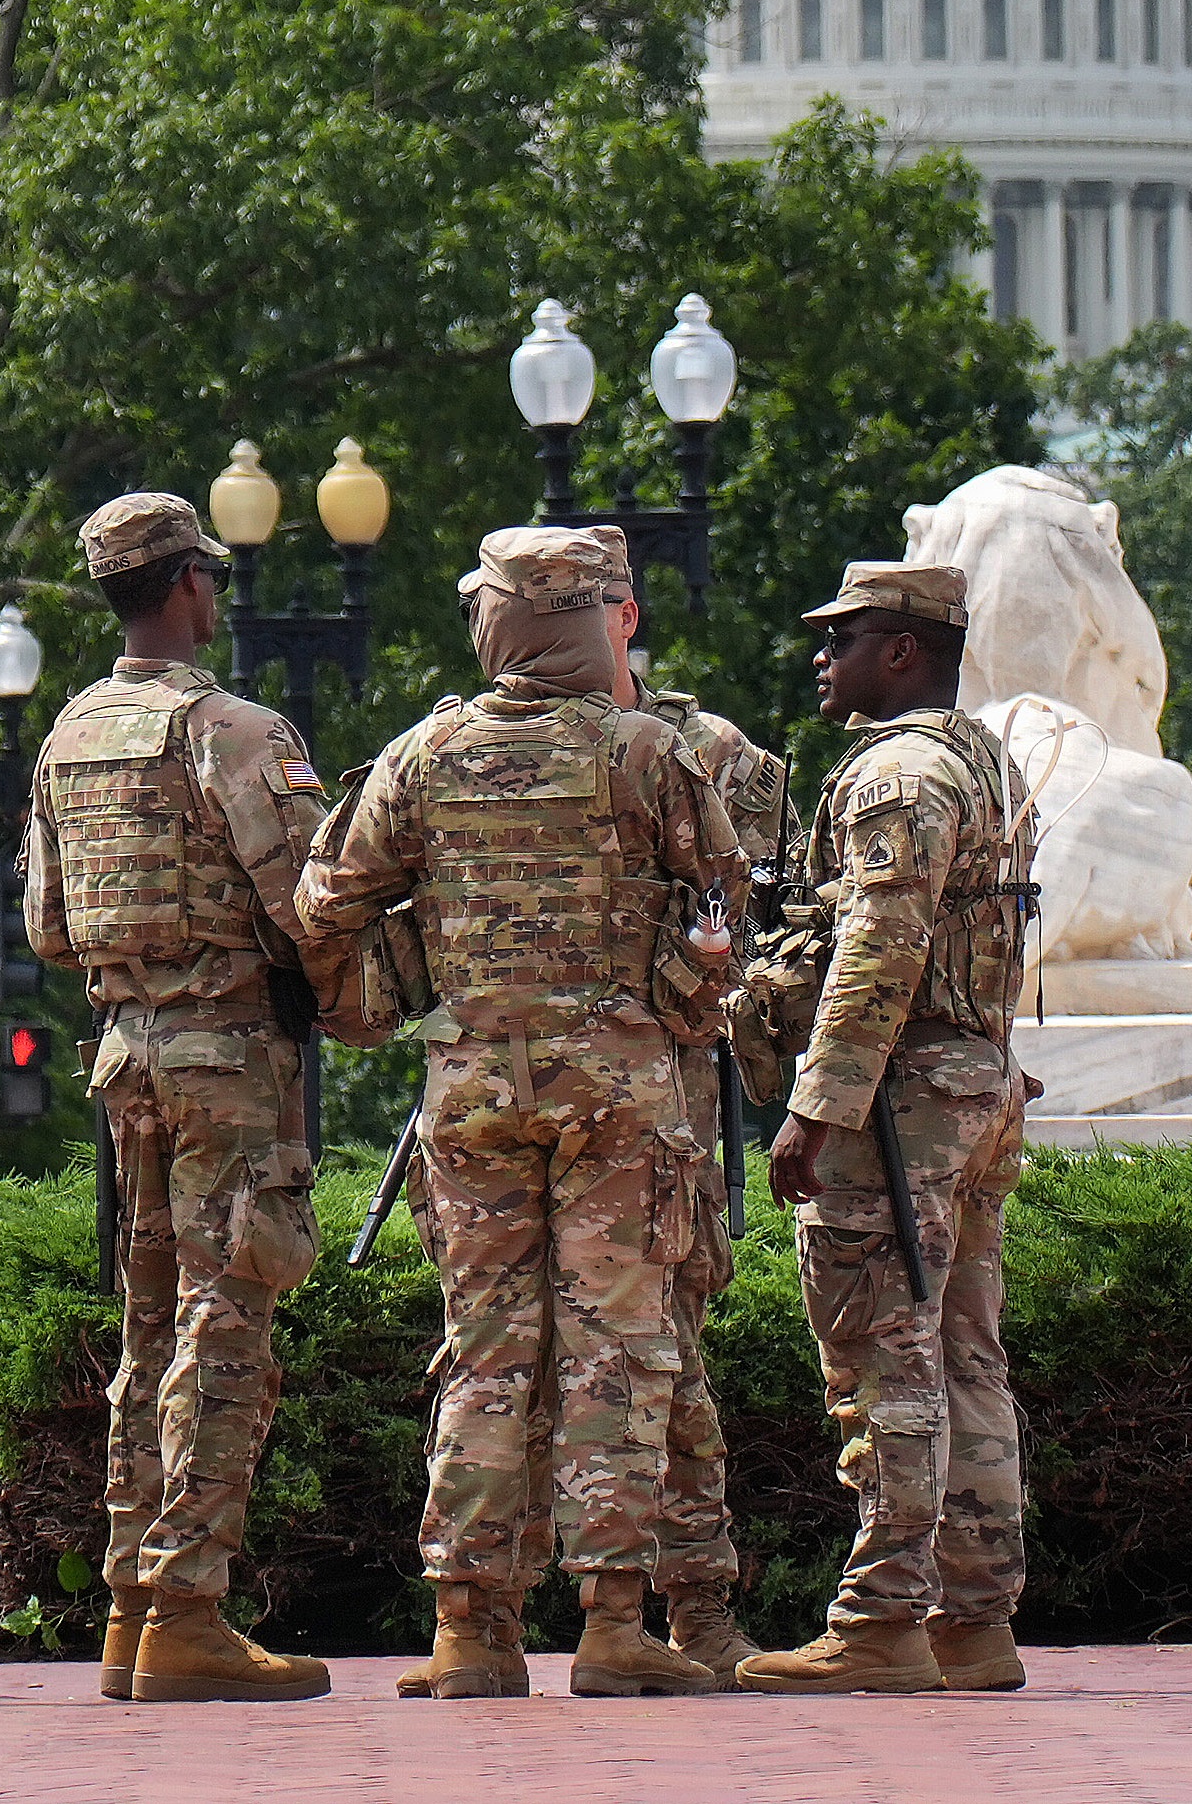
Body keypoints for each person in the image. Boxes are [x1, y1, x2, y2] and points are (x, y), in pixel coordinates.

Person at [292, 527, 738, 1701]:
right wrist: (682, 987)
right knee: (614, 1350)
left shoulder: (419, 755)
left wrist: (388, 992)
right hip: (619, 1094)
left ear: (491, 623)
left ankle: (470, 1631)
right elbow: (722, 906)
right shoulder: (646, 753)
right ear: (602, 621)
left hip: (471, 1087)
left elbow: (323, 902)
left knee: (484, 1354)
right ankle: (611, 1624)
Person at [24, 492, 333, 1703]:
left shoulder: (66, 737)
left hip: (124, 1055)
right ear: (190, 587)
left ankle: (129, 1608)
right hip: (226, 1060)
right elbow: (308, 904)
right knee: (226, 1319)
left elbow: (47, 926)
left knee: (148, 1325)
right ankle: (191, 1608)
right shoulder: (231, 729)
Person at [738, 561, 1033, 1696]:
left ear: (901, 651)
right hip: (971, 1086)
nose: (822, 655)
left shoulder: (898, 775)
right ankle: (974, 1619)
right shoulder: (980, 761)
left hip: (899, 1101)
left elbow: (880, 948)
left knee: (884, 1354)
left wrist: (817, 1104)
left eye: (843, 635)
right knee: (964, 1356)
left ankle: (881, 1620)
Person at [616, 568, 793, 1682]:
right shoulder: (467, 743)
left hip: (662, 1104)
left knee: (668, 1358)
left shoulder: (714, 757)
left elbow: (763, 935)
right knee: (494, 1364)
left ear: (625, 613)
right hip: (506, 1102)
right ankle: (484, 1620)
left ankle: (692, 1609)